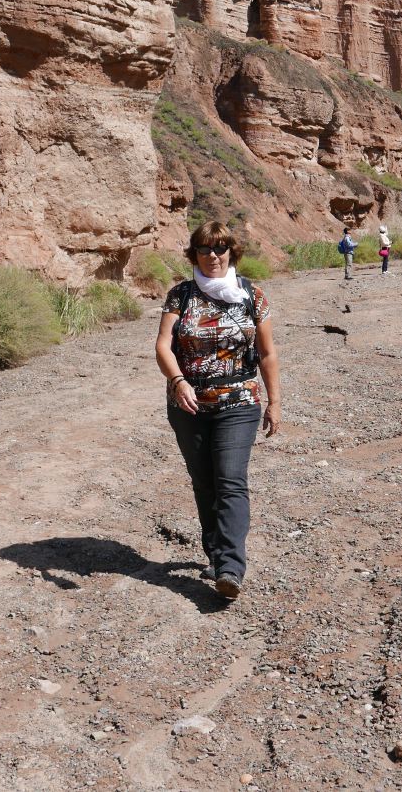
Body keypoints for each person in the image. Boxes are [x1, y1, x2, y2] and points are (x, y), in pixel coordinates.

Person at [155, 222, 281, 601]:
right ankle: (214, 553)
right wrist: (179, 382)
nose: (214, 256)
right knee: (204, 482)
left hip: (239, 401)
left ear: (232, 252)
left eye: (221, 248)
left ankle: (230, 567)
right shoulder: (181, 295)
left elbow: (267, 353)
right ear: (194, 254)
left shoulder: (251, 295)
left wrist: (274, 401)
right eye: (206, 249)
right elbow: (163, 346)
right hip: (188, 404)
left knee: (230, 480)